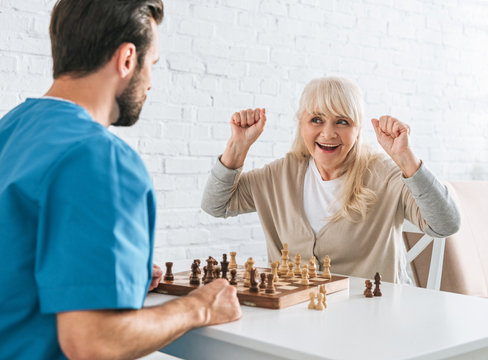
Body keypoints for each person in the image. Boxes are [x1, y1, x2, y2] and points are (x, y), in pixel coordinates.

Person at [0, 1, 241, 359]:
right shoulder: (99, 157)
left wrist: (107, 279)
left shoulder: (10, 129)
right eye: (151, 64)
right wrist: (200, 306)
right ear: (127, 59)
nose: (150, 83)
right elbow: (94, 342)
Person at [202, 77, 460, 283]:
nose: (328, 133)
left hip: (370, 323)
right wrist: (237, 147)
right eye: (316, 119)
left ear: (358, 130)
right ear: (301, 124)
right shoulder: (281, 175)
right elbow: (216, 205)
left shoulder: (384, 176)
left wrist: (405, 159)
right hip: (295, 321)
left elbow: (446, 224)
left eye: (342, 122)